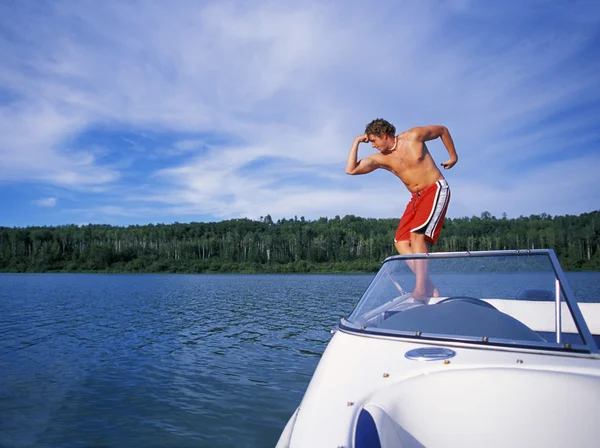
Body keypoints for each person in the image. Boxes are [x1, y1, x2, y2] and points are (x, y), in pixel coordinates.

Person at [345, 118, 458, 299]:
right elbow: (351, 170)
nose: (372, 145)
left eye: (373, 141)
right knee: (401, 241)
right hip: (416, 198)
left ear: (383, 135)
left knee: (417, 235)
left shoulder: (414, 136)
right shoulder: (381, 159)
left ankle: (421, 288)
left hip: (435, 188)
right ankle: (429, 286)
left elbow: (442, 130)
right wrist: (356, 141)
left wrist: (453, 156)